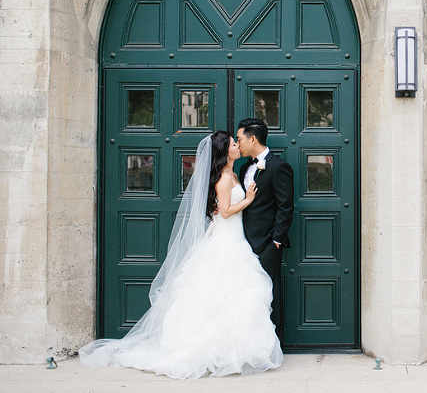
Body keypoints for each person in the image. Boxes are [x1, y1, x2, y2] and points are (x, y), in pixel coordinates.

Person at [79, 131, 283, 379]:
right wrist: (248, 199)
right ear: (223, 151)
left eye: (236, 142)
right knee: (220, 295)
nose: (237, 145)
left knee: (236, 294)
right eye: (232, 144)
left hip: (236, 238)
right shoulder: (222, 179)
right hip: (226, 239)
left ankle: (233, 352)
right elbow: (227, 212)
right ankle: (212, 352)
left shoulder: (234, 173)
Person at [236, 117, 295, 340]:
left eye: (240, 139)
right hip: (242, 242)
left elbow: (285, 206)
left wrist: (276, 241)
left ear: (253, 138)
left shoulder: (279, 167)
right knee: (248, 294)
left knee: (270, 292)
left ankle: (274, 343)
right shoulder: (243, 168)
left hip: (267, 242)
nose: (238, 144)